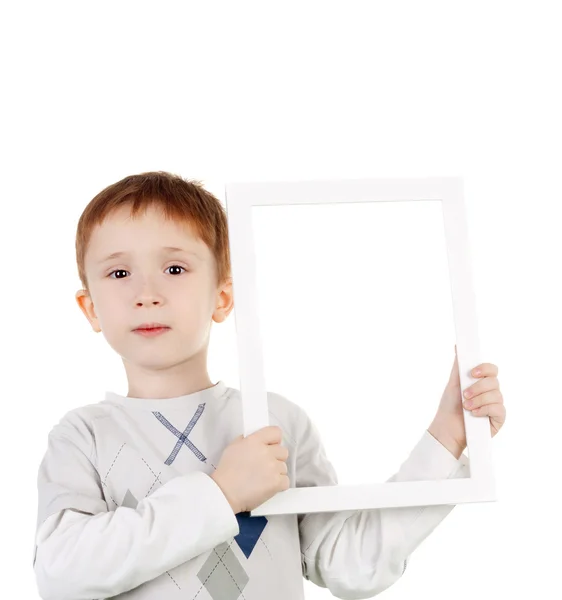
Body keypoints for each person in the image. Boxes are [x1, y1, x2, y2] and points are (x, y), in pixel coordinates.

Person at [32, 171, 506, 600]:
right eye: (119, 273)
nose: (147, 294)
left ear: (223, 296)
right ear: (90, 308)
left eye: (175, 269)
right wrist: (220, 493)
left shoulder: (276, 424)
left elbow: (351, 564)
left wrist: (447, 438)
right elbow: (62, 573)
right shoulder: (82, 437)